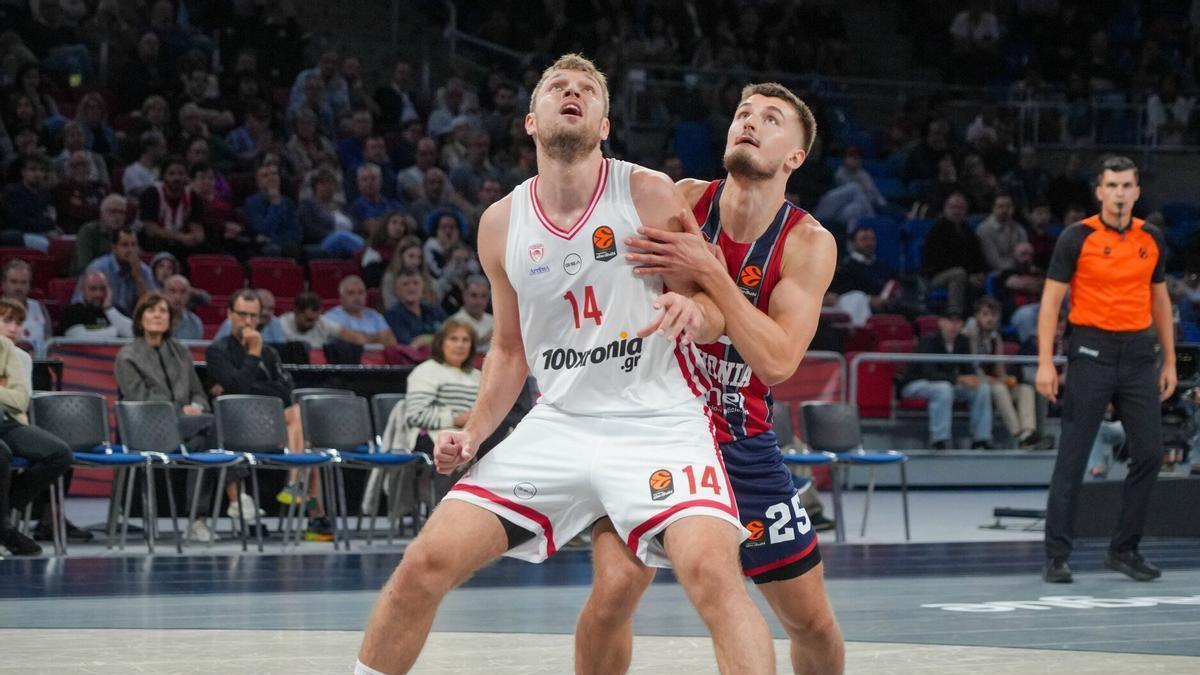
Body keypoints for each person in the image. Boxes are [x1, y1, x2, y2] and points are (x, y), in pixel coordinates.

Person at [356, 54, 775, 675]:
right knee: (423, 565)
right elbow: (508, 350)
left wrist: (697, 316)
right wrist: (473, 433)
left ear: (605, 125)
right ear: (531, 120)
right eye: (558, 87)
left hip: (656, 421)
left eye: (587, 90)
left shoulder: (647, 193)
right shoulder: (501, 224)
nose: (571, 93)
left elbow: (712, 303)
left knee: (713, 575)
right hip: (559, 425)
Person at [576, 81, 844, 675]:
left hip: (740, 438)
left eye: (771, 119)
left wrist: (711, 274)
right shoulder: (679, 201)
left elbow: (776, 363)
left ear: (794, 157)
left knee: (810, 622)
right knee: (614, 593)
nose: (749, 122)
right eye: (743, 111)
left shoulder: (807, 243)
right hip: (651, 434)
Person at [1037, 156, 1175, 583]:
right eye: (1111, 185)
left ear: (1136, 191)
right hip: (1091, 351)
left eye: (1127, 185)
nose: (1119, 193)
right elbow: (1051, 301)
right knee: (1073, 456)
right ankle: (1057, 556)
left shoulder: (1151, 238)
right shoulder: (1077, 237)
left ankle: (1124, 549)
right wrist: (1045, 361)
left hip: (1138, 354)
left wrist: (1169, 359)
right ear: (1099, 191)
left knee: (1151, 454)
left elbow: (1161, 301)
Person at [205, 290, 332, 541]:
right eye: (242, 315)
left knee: (299, 419)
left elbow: (285, 390)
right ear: (230, 315)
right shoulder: (217, 351)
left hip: (274, 427)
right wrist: (253, 354)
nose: (249, 322)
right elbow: (238, 390)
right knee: (301, 432)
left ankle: (296, 485)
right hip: (237, 427)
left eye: (254, 316)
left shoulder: (271, 353)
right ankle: (314, 515)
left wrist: (249, 384)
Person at [114, 291, 237, 542]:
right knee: (214, 426)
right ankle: (236, 496)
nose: (157, 316)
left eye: (163, 311)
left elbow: (199, 394)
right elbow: (140, 401)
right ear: (140, 318)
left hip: (187, 428)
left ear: (171, 319)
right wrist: (181, 410)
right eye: (151, 310)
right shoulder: (127, 356)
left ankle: (197, 519)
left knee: (205, 444)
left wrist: (197, 406)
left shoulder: (181, 352)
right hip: (148, 428)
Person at [0, 298, 73, 555]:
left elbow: (21, 400)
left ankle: (5, 511)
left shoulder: (17, 355)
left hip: (10, 420)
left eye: (18, 322)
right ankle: (6, 530)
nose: (13, 327)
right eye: (7, 320)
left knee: (60, 453)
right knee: (3, 454)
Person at [400, 319, 482, 502]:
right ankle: (445, 510)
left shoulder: (478, 376)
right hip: (430, 434)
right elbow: (416, 414)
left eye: (465, 340)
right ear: (441, 342)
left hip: (473, 434)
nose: (460, 345)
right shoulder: (426, 371)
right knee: (451, 448)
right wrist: (456, 419)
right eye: (453, 339)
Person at [899, 311, 994, 449]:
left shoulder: (962, 341)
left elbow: (968, 369)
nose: (954, 326)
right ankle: (939, 439)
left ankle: (981, 438)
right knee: (943, 389)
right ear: (941, 323)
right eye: (950, 321)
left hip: (948, 383)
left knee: (981, 388)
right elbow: (929, 373)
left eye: (958, 322)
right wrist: (959, 378)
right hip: (916, 384)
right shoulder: (928, 340)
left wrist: (977, 379)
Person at [963, 296, 1039, 448]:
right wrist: (992, 380)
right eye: (985, 314)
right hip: (974, 381)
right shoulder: (967, 335)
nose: (990, 319)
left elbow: (999, 369)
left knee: (1025, 389)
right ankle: (1017, 434)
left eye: (993, 315)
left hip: (992, 381)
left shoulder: (995, 337)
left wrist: (1006, 379)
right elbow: (969, 367)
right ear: (977, 316)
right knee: (999, 389)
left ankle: (1027, 432)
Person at [920, 191, 987, 314]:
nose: (957, 211)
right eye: (953, 207)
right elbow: (938, 262)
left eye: (960, 208)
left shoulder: (968, 231)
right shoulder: (936, 231)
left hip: (965, 275)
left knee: (983, 280)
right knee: (958, 274)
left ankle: (979, 316)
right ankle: (954, 314)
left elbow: (978, 256)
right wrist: (968, 275)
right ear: (945, 209)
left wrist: (980, 273)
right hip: (936, 277)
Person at [74, 226, 156, 316]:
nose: (130, 250)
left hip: (130, 324)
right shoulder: (98, 268)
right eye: (125, 245)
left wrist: (138, 278)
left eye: (133, 245)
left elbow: (152, 308)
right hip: (101, 319)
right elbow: (78, 302)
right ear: (114, 248)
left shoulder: (144, 270)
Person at [138, 155, 207, 256]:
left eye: (181, 174)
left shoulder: (192, 196)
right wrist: (180, 237)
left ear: (186, 177)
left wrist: (197, 237)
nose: (177, 178)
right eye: (171, 174)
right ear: (163, 176)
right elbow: (151, 230)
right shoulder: (152, 193)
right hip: (156, 241)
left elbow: (196, 227)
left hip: (181, 241)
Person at [243, 162, 302, 258]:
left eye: (274, 174)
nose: (271, 178)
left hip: (285, 245)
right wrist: (274, 204)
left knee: (292, 248)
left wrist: (273, 239)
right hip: (263, 247)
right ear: (258, 182)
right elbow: (263, 229)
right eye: (265, 175)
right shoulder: (252, 203)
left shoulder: (288, 202)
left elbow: (297, 233)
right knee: (273, 249)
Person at [278, 291, 372, 349]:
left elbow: (356, 338)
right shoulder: (281, 325)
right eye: (309, 320)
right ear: (296, 312)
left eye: (316, 319)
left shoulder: (322, 322)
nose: (313, 323)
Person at [325, 276, 396, 347]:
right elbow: (355, 339)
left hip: (377, 357)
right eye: (351, 293)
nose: (357, 297)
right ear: (341, 297)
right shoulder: (331, 317)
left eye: (361, 292)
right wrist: (378, 337)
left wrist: (364, 338)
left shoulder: (374, 315)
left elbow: (391, 341)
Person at [61, 271, 134, 338]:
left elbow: (133, 333)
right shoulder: (72, 311)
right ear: (82, 290)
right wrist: (116, 332)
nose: (98, 294)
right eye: (93, 289)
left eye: (103, 289)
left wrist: (108, 309)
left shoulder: (116, 311)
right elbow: (77, 337)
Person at [384, 268, 446, 348]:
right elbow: (410, 345)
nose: (411, 287)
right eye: (405, 284)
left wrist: (425, 339)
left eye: (416, 283)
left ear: (423, 287)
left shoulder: (435, 310)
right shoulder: (393, 315)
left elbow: (452, 336)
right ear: (397, 291)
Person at [1, 259, 51, 356]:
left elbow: (49, 343)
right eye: (13, 282)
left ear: (29, 285)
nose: (18, 287)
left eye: (23, 282)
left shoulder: (40, 308)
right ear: (3, 284)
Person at [71, 194, 127, 277]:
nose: (118, 216)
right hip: (87, 281)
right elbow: (85, 265)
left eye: (121, 212)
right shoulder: (88, 231)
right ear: (102, 214)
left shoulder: (126, 234)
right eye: (113, 211)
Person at [976, 193, 1028, 272]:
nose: (1005, 210)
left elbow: (1026, 255)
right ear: (993, 208)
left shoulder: (1019, 228)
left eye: (1008, 207)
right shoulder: (984, 230)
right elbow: (994, 262)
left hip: (1019, 270)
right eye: (1000, 207)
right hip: (995, 272)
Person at [214, 288, 287, 343]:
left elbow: (281, 351)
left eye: (271, 308)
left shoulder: (275, 322)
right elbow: (218, 351)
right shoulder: (231, 323)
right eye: (263, 307)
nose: (266, 313)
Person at [451, 275, 493, 353]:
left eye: (484, 296)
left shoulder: (494, 321)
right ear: (464, 295)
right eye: (474, 295)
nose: (479, 301)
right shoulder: (454, 322)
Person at [162, 275, 203, 340]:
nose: (178, 297)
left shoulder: (195, 324)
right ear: (164, 294)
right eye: (172, 291)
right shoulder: (154, 320)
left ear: (188, 295)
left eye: (183, 292)